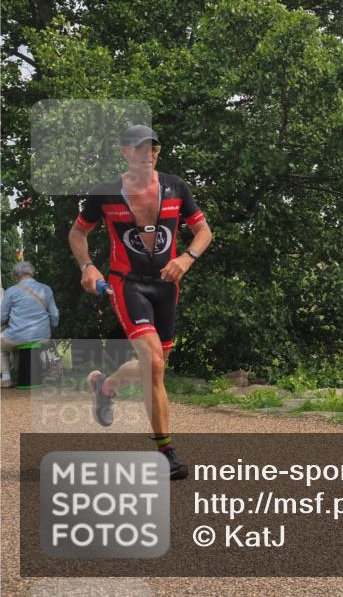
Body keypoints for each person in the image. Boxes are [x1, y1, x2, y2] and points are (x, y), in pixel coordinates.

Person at [68, 125, 212, 480]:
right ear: (124, 152)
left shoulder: (176, 187)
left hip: (166, 286)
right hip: (126, 283)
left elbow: (204, 231)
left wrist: (187, 259)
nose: (148, 154)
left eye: (153, 148)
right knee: (154, 364)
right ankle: (167, 453)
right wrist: (88, 267)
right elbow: (78, 232)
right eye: (139, 148)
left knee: (155, 364)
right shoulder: (105, 193)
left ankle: (105, 386)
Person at [1, 262, 59, 387]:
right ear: (31, 273)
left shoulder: (11, 291)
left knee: (2, 346)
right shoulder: (46, 289)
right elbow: (55, 316)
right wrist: (50, 331)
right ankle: (30, 375)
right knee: (19, 345)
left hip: (17, 336)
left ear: (16, 276)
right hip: (42, 336)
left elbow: (2, 317)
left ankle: (6, 378)